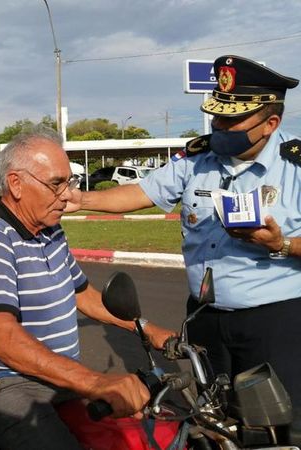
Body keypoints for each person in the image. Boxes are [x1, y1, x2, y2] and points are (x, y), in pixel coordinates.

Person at [70, 55, 301, 435]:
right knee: (217, 422)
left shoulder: (295, 165)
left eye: (231, 119)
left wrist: (283, 243)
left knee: (280, 429)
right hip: (205, 319)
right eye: (215, 115)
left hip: (275, 322)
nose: (219, 126)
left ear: (270, 123)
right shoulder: (198, 158)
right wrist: (81, 200)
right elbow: (141, 192)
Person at [0, 126, 175, 449]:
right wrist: (95, 381)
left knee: (135, 436)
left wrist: (145, 328)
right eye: (56, 184)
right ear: (16, 184)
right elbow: (1, 337)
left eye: (68, 182)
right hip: (5, 384)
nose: (67, 194)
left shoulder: (50, 230)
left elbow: (82, 294)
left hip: (56, 377)